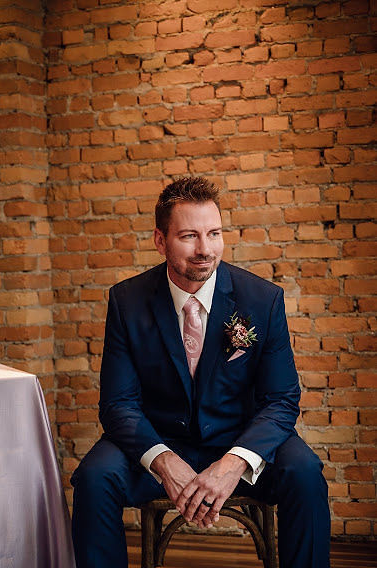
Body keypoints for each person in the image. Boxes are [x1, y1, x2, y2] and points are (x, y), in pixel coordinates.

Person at [71, 177, 330, 568]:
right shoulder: (127, 301)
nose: (205, 250)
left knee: (306, 473)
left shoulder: (262, 299)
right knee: (93, 478)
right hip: (158, 438)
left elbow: (281, 399)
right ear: (161, 241)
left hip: (238, 438)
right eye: (190, 236)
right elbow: (118, 404)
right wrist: (163, 460)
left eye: (214, 234)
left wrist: (234, 463)